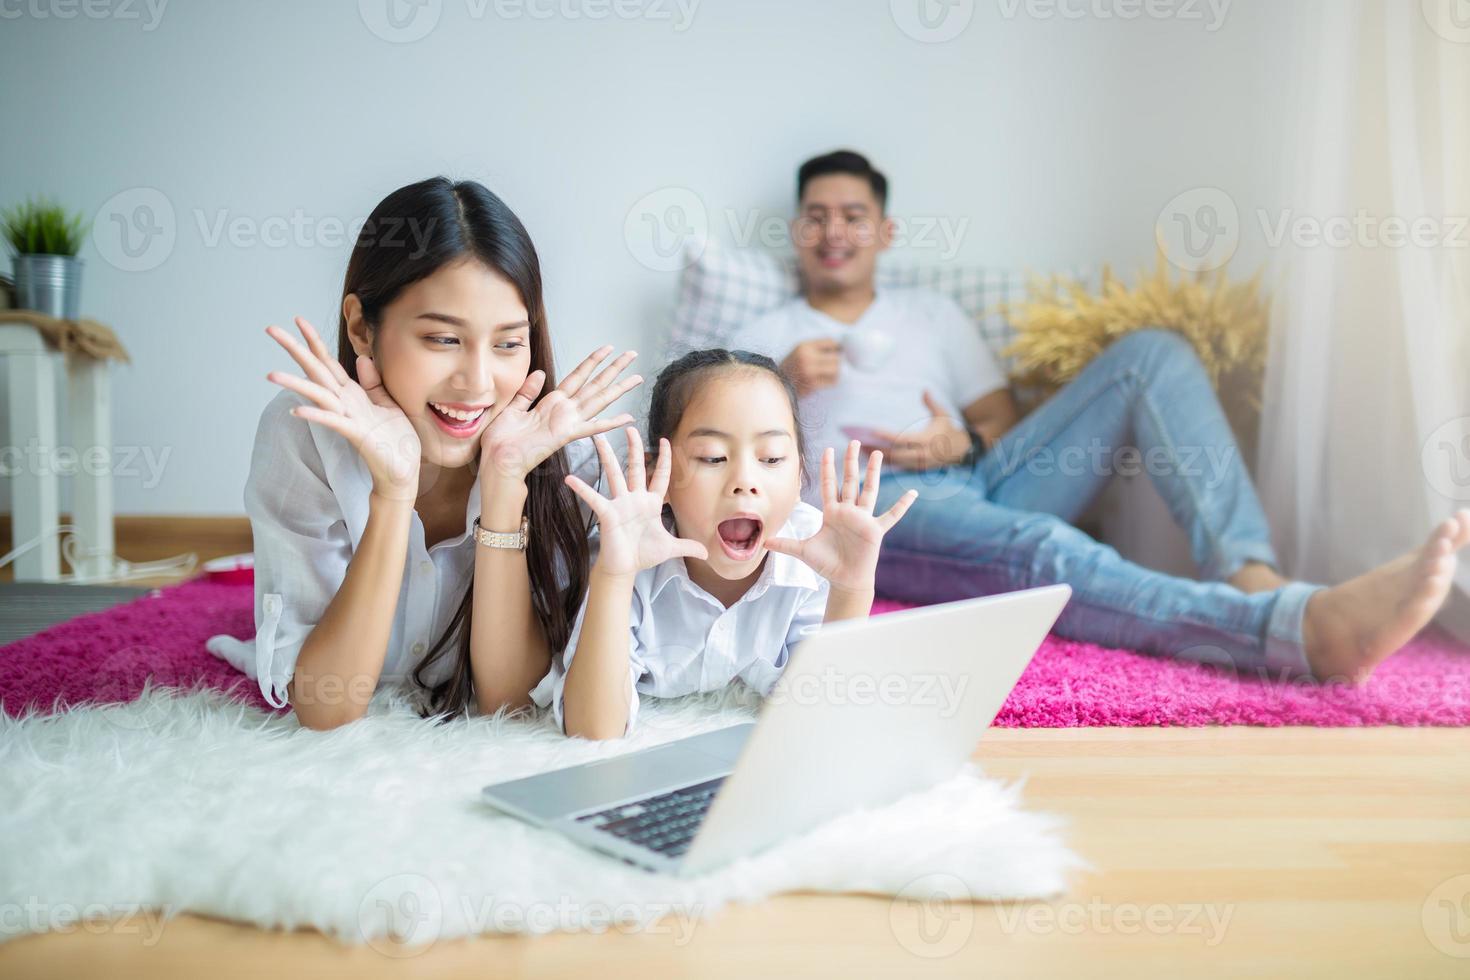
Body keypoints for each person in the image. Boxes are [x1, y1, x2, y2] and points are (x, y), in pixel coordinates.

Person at [730, 149, 1470, 685]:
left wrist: (964, 437)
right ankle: (1296, 630)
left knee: (1153, 354)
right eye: (818, 217)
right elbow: (745, 460)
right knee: (1041, 549)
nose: (834, 231)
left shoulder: (932, 314)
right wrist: (785, 383)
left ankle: (1251, 573)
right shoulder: (766, 334)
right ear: (798, 231)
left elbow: (999, 416)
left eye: (853, 216)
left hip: (980, 473)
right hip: (871, 507)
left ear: (883, 232)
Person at [207, 177, 642, 730]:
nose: (478, 383)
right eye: (442, 339)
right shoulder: (305, 432)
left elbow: (507, 704)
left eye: (508, 343)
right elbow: (326, 707)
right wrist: (393, 493)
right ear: (363, 328)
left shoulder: (560, 452)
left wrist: (505, 485)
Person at [531, 349, 918, 739]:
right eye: (713, 458)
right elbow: (593, 730)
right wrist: (614, 577)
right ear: (657, 478)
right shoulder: (626, 554)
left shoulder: (815, 553)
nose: (745, 480)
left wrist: (851, 592)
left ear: (800, 472)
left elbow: (820, 716)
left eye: (771, 458)